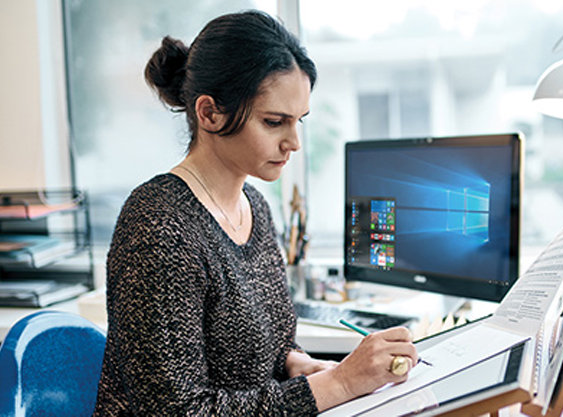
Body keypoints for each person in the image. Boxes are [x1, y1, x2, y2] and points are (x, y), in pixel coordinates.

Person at [93, 10, 419, 416]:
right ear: (209, 113)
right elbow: (179, 411)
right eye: (274, 122)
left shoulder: (257, 209)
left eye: (298, 121)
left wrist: (300, 364)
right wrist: (338, 382)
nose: (294, 142)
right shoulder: (158, 225)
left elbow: (274, 346)